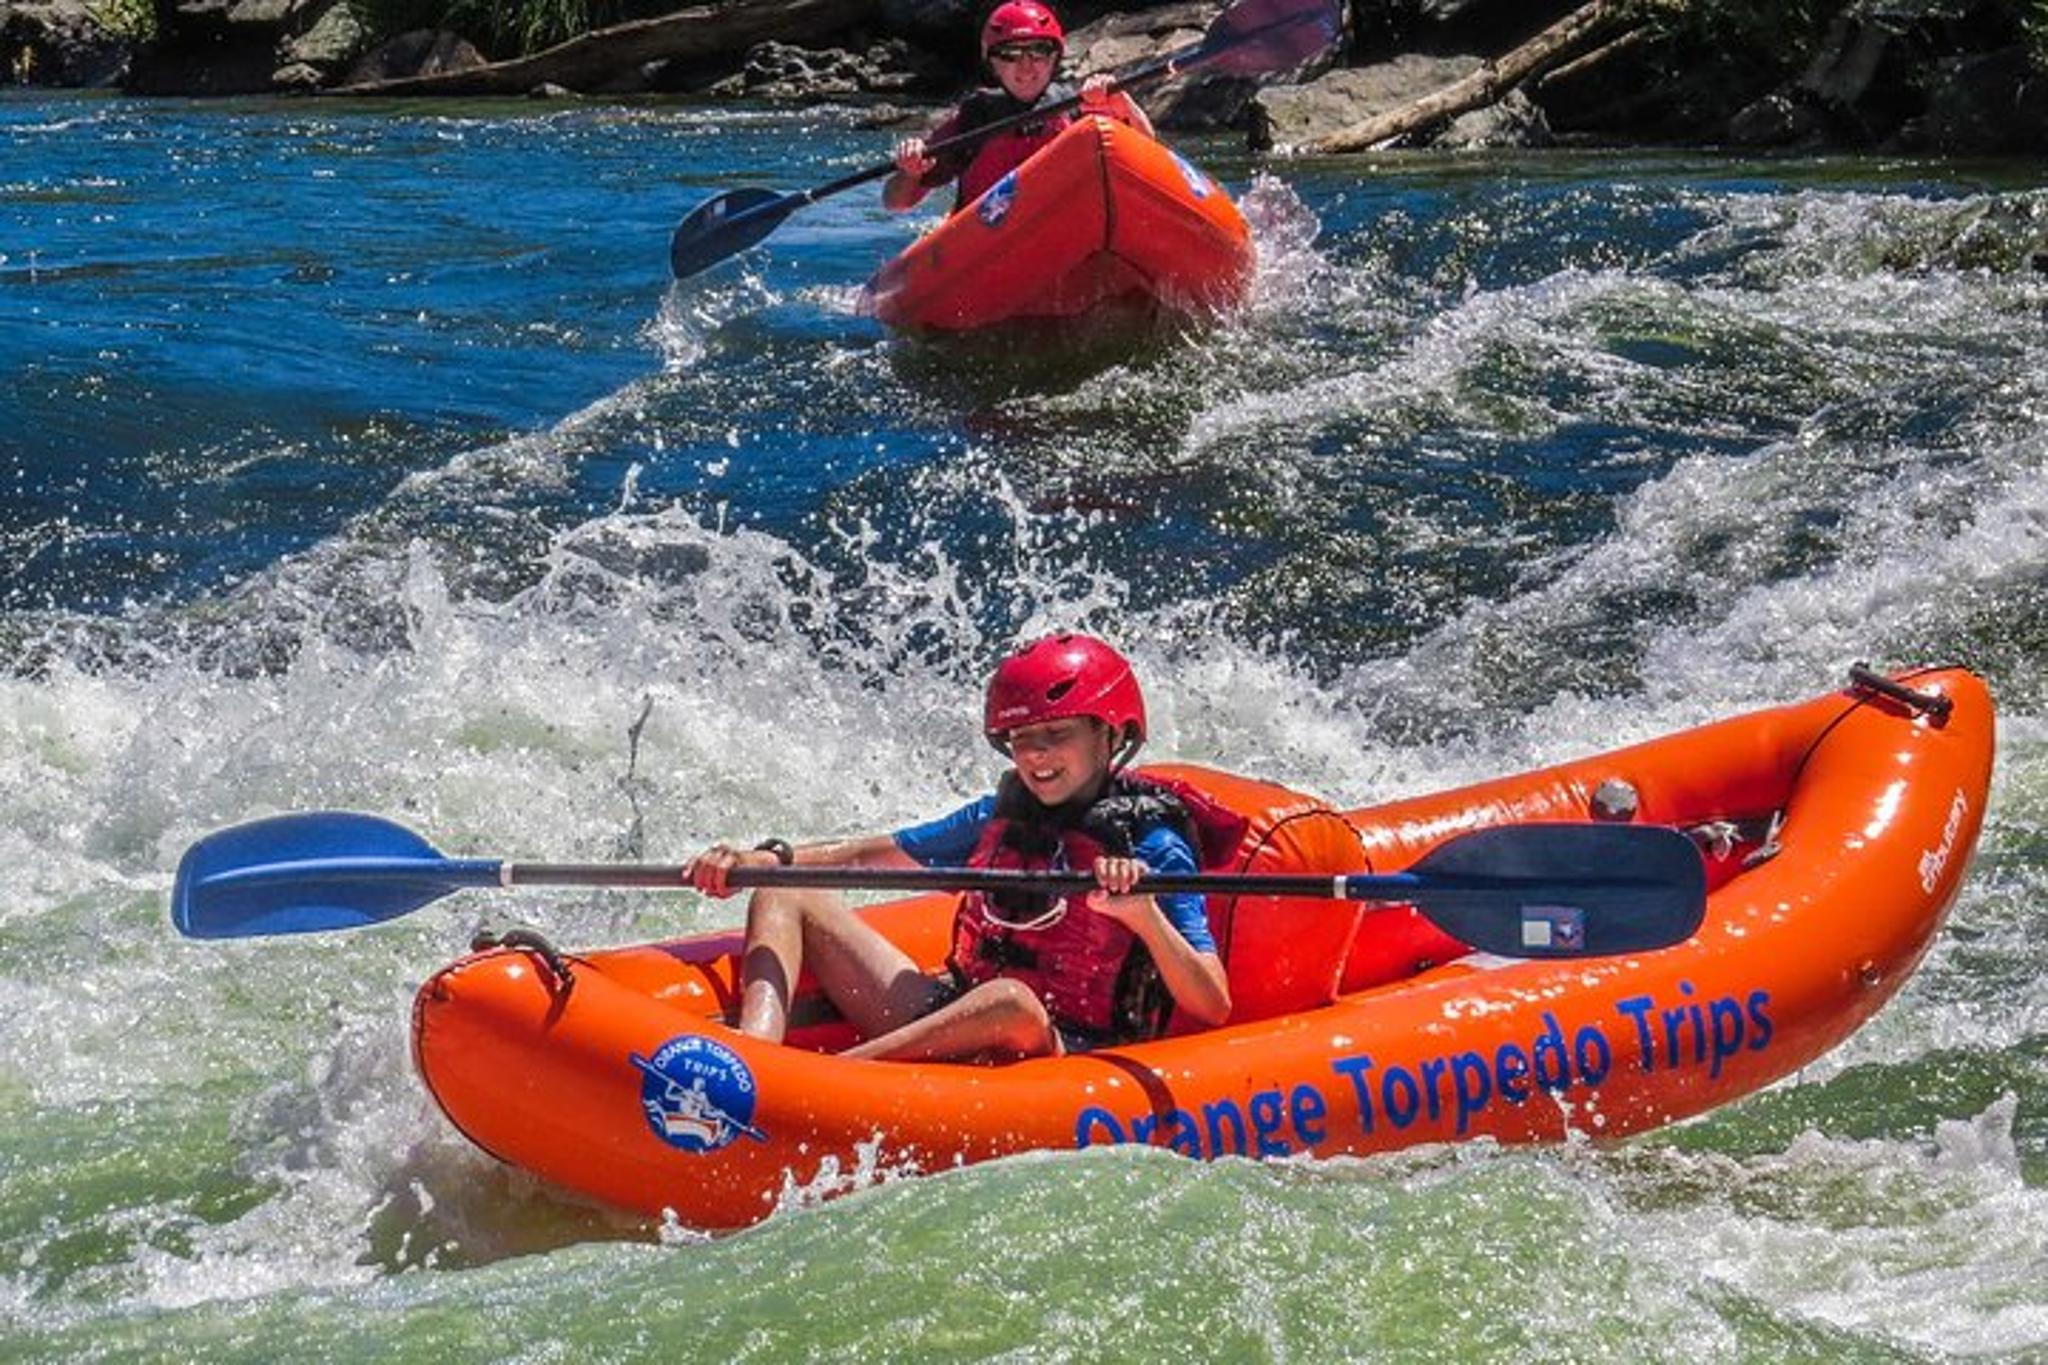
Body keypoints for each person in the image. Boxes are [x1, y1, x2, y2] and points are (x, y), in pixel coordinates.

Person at [687, 633, 1232, 1062]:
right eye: (1021, 740)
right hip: (953, 1011)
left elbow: (1211, 1003)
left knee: (1012, 1001)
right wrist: (769, 858)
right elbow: (873, 855)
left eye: (1057, 734)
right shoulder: (997, 816)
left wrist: (1143, 915)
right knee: (783, 892)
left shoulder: (1153, 844)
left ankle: (831, 1077)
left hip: (1062, 1046)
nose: (1036, 756)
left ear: (1110, 734)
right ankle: (753, 1060)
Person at [881, 0, 1158, 216]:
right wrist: (911, 171)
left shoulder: (1079, 107)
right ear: (994, 64)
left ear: (1054, 58)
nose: (1026, 66)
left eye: (1038, 51)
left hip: (1068, 224)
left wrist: (1124, 104)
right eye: (1010, 54)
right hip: (989, 239)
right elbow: (894, 203)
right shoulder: (974, 118)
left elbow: (1151, 158)